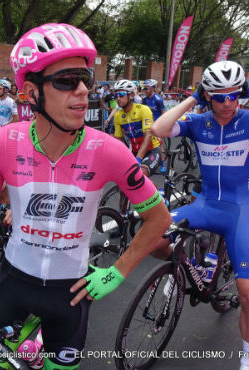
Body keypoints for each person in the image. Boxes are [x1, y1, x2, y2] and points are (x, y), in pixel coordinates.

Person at [0, 23, 170, 370]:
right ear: (31, 92)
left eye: (85, 79)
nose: (82, 91)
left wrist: (116, 273)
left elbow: (159, 218)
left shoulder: (109, 151)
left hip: (71, 294)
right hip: (14, 282)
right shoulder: (2, 144)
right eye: (66, 80)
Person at [150, 60, 249, 370]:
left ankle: (246, 354)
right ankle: (193, 266)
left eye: (236, 94)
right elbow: (158, 129)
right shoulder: (199, 122)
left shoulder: (246, 119)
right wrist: (194, 97)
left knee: (247, 295)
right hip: (205, 204)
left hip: (239, 210)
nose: (229, 103)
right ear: (208, 96)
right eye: (220, 96)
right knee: (151, 237)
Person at [113, 79, 162, 178]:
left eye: (121, 94)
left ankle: (152, 193)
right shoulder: (118, 115)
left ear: (131, 95)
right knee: (123, 180)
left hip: (151, 150)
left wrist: (138, 158)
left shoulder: (143, 110)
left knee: (140, 175)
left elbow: (148, 136)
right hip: (134, 151)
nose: (118, 98)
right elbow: (118, 140)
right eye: (116, 95)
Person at [142, 79, 167, 172]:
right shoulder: (144, 100)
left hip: (158, 125)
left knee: (159, 145)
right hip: (148, 126)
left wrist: (163, 126)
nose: (144, 90)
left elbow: (164, 113)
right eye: (143, 88)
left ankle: (163, 164)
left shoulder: (158, 99)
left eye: (146, 88)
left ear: (152, 89)